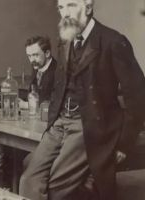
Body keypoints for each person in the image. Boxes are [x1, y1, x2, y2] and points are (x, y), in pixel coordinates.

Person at [19, 0, 145, 200]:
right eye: (61, 8)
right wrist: (53, 120)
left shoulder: (112, 41)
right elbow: (60, 88)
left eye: (71, 5)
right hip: (59, 122)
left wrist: (123, 143)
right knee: (28, 180)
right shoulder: (65, 40)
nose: (65, 13)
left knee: (55, 186)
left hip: (88, 125)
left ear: (87, 7)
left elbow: (138, 96)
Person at [25, 36, 56, 104]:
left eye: (35, 55)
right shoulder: (37, 66)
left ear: (47, 53)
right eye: (29, 56)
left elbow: (54, 102)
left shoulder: (58, 71)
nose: (32, 60)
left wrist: (27, 105)